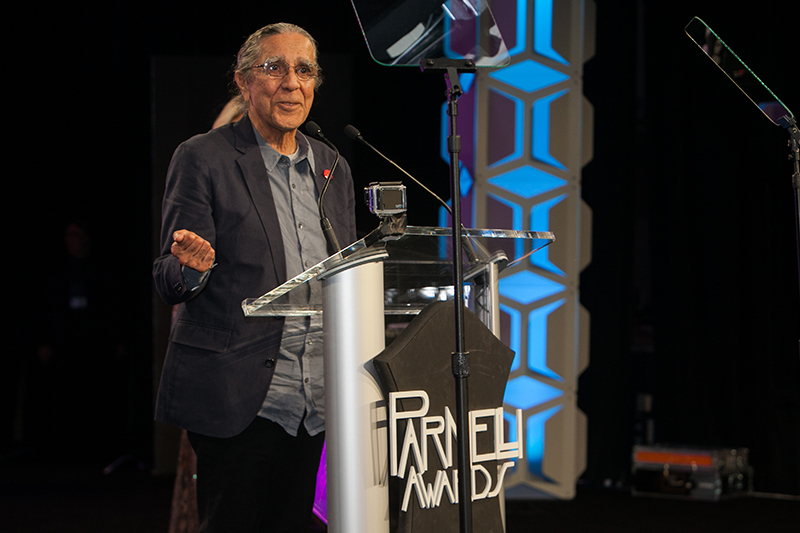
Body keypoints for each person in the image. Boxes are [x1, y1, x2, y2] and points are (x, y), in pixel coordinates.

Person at [152, 22, 356, 532]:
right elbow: (168, 276)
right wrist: (189, 266)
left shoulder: (332, 166)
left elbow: (345, 270)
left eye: (304, 70)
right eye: (274, 68)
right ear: (244, 83)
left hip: (316, 401)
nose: (291, 82)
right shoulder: (204, 157)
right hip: (238, 394)